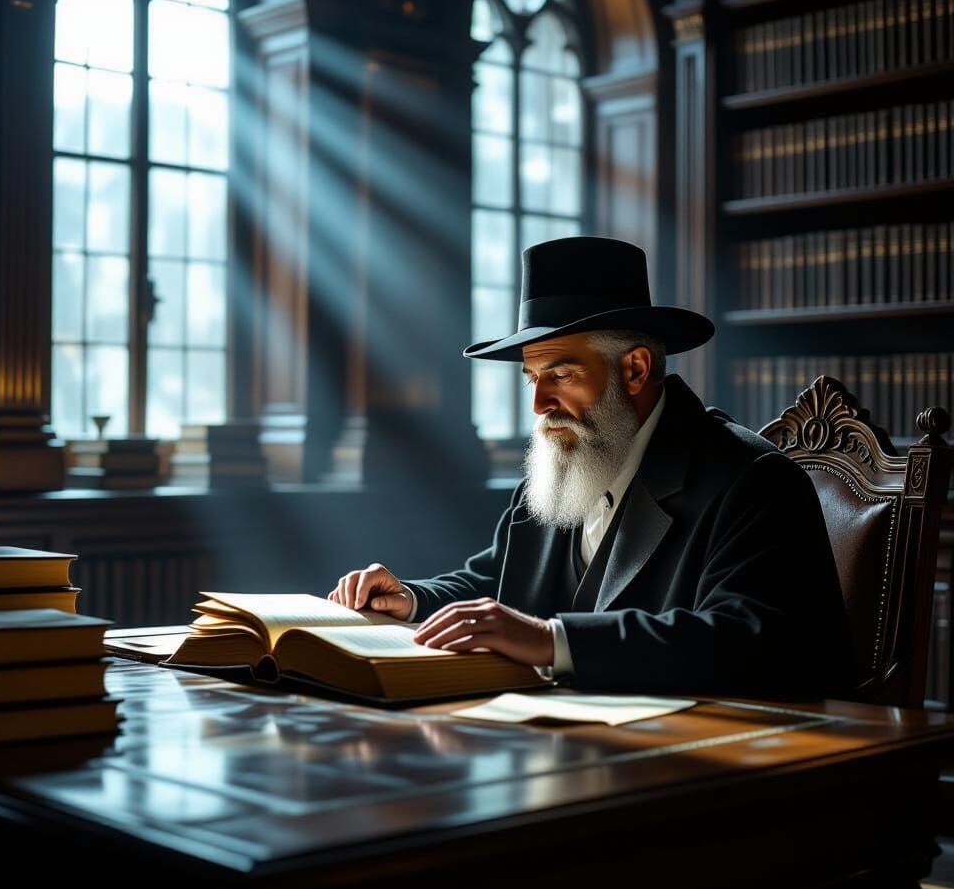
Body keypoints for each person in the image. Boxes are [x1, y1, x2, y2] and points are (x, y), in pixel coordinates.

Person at [329, 236, 853, 697]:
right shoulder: (562, 466)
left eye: (561, 375)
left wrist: (552, 640)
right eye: (532, 378)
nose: (539, 404)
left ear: (635, 369)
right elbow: (496, 581)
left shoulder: (751, 479)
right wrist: (413, 599)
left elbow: (750, 639)